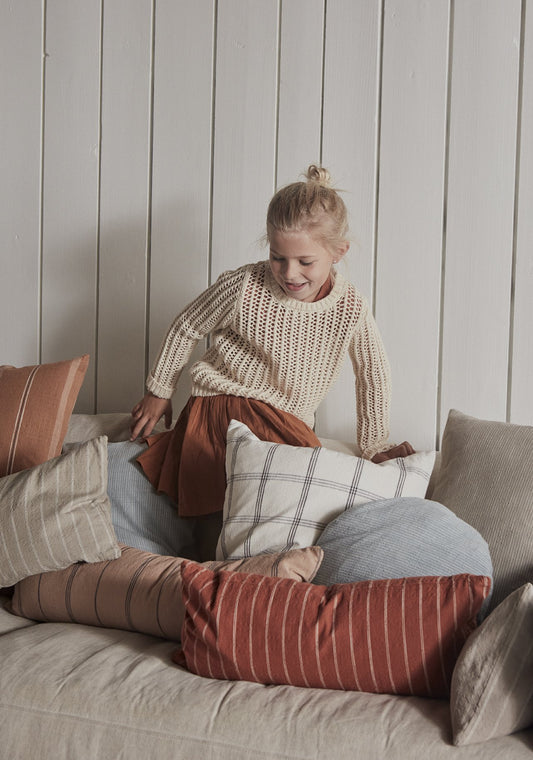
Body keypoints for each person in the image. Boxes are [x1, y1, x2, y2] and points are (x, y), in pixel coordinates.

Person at [130, 165, 413, 555]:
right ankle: (212, 564)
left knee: (302, 499)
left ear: (338, 252)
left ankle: (258, 566)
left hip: (285, 421)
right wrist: (158, 391)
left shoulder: (350, 308)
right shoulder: (246, 286)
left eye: (305, 262)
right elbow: (187, 325)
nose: (289, 273)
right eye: (278, 258)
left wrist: (374, 444)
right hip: (224, 406)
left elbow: (373, 374)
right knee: (221, 512)